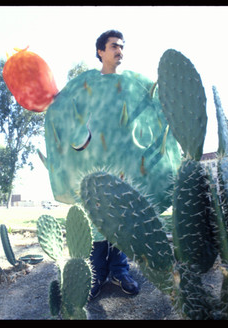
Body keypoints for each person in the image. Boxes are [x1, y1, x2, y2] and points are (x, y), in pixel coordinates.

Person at [89, 30, 140, 299]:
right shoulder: (89, 83)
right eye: (113, 46)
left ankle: (120, 271)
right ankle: (96, 274)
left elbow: (131, 123)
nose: (119, 50)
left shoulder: (127, 84)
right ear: (100, 51)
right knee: (97, 218)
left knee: (121, 218)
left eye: (121, 46)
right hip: (94, 162)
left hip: (122, 162)